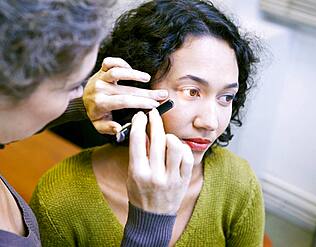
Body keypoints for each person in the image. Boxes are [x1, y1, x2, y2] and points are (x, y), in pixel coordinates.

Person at [30, 0, 265, 246]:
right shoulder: (59, 199)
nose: (210, 122)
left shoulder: (239, 184)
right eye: (191, 91)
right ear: (136, 87)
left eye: (226, 97)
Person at [0, 0, 174, 246]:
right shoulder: (61, 197)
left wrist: (80, 104)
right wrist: (151, 223)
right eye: (72, 86)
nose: (82, 93)